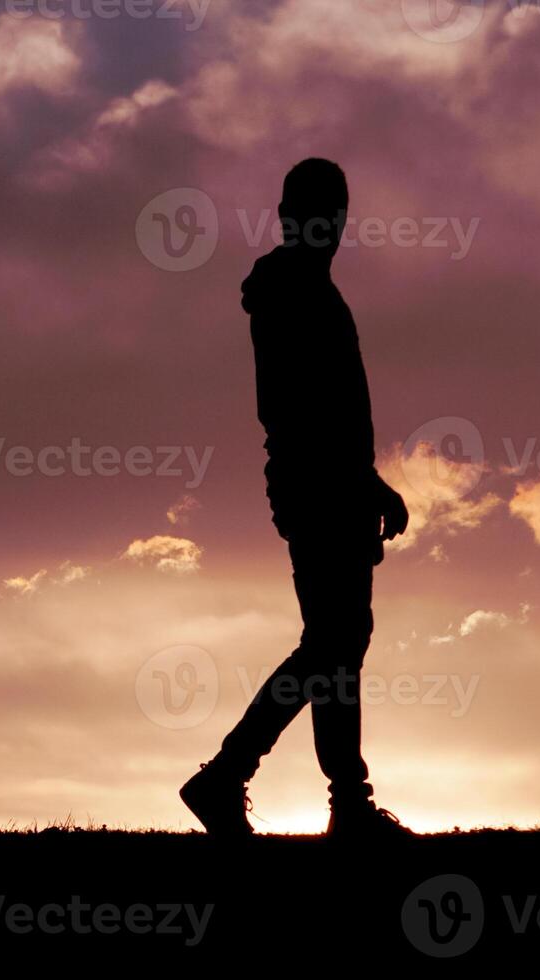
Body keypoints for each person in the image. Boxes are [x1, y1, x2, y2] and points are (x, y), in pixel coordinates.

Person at [180, 158, 413, 839]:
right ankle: (230, 775)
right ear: (295, 215)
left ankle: (345, 801)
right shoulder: (296, 291)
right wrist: (364, 484)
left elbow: (318, 408)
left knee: (339, 644)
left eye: (337, 212)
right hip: (318, 485)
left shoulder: (304, 287)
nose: (334, 226)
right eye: (322, 211)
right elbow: (301, 407)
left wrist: (368, 483)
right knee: (332, 642)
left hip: (324, 482)